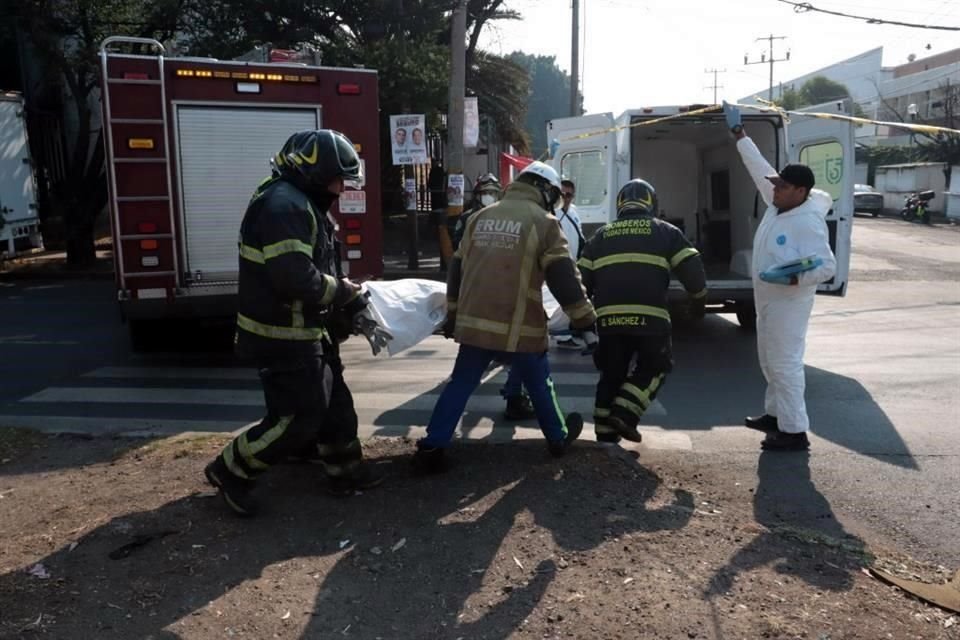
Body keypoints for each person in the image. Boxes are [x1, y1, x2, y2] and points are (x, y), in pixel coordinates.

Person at [204, 129, 390, 516]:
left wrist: (343, 306)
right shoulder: (284, 206)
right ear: (313, 174)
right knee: (298, 417)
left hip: (305, 328)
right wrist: (343, 293)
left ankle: (344, 472)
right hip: (280, 334)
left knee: (335, 403)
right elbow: (293, 276)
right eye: (337, 180)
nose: (341, 189)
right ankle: (231, 469)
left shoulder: (298, 201)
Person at [412, 161, 597, 473]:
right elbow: (563, 276)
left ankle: (433, 445)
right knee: (540, 383)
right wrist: (585, 320)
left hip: (474, 324)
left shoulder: (480, 217)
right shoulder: (544, 222)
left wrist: (454, 313)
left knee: (460, 383)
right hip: (518, 326)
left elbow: (456, 268)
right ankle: (558, 438)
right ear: (546, 191)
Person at [723, 101, 837, 451]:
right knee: (768, 359)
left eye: (782, 185)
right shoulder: (779, 202)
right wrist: (739, 133)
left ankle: (794, 432)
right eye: (776, 184)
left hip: (788, 302)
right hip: (768, 299)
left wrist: (790, 279)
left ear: (800, 192)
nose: (774, 187)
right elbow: (758, 168)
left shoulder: (807, 221)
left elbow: (827, 267)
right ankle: (775, 416)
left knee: (785, 364)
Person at [578, 179, 707, 444]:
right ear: (652, 204)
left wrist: (582, 321)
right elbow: (694, 276)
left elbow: (580, 282)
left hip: (608, 322)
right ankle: (625, 413)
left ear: (620, 205)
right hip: (650, 320)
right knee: (656, 366)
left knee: (611, 373)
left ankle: (605, 438)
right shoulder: (666, 232)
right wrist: (698, 302)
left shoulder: (600, 236)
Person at [452, 173, 536, 421]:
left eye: (492, 193)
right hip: (488, 297)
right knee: (526, 360)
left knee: (470, 371)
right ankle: (524, 405)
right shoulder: (470, 219)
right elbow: (459, 258)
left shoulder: (488, 219)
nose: (488, 197)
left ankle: (516, 397)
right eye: (484, 193)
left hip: (490, 298)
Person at [554, 179, 586, 350]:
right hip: (559, 263)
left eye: (569, 195)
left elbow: (579, 235)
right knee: (566, 297)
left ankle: (565, 329)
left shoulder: (573, 211)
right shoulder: (552, 213)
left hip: (572, 262)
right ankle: (561, 333)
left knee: (569, 297)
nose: (565, 198)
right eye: (563, 194)